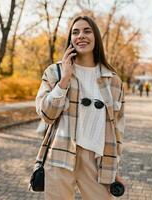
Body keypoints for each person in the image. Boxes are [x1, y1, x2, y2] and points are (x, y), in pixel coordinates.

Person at [35, 15, 125, 200]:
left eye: (87, 31)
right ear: (70, 39)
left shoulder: (113, 80)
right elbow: (46, 114)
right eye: (75, 32)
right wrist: (65, 79)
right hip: (60, 154)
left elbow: (118, 129)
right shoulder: (55, 72)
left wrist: (114, 168)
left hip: (97, 159)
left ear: (96, 37)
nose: (81, 36)